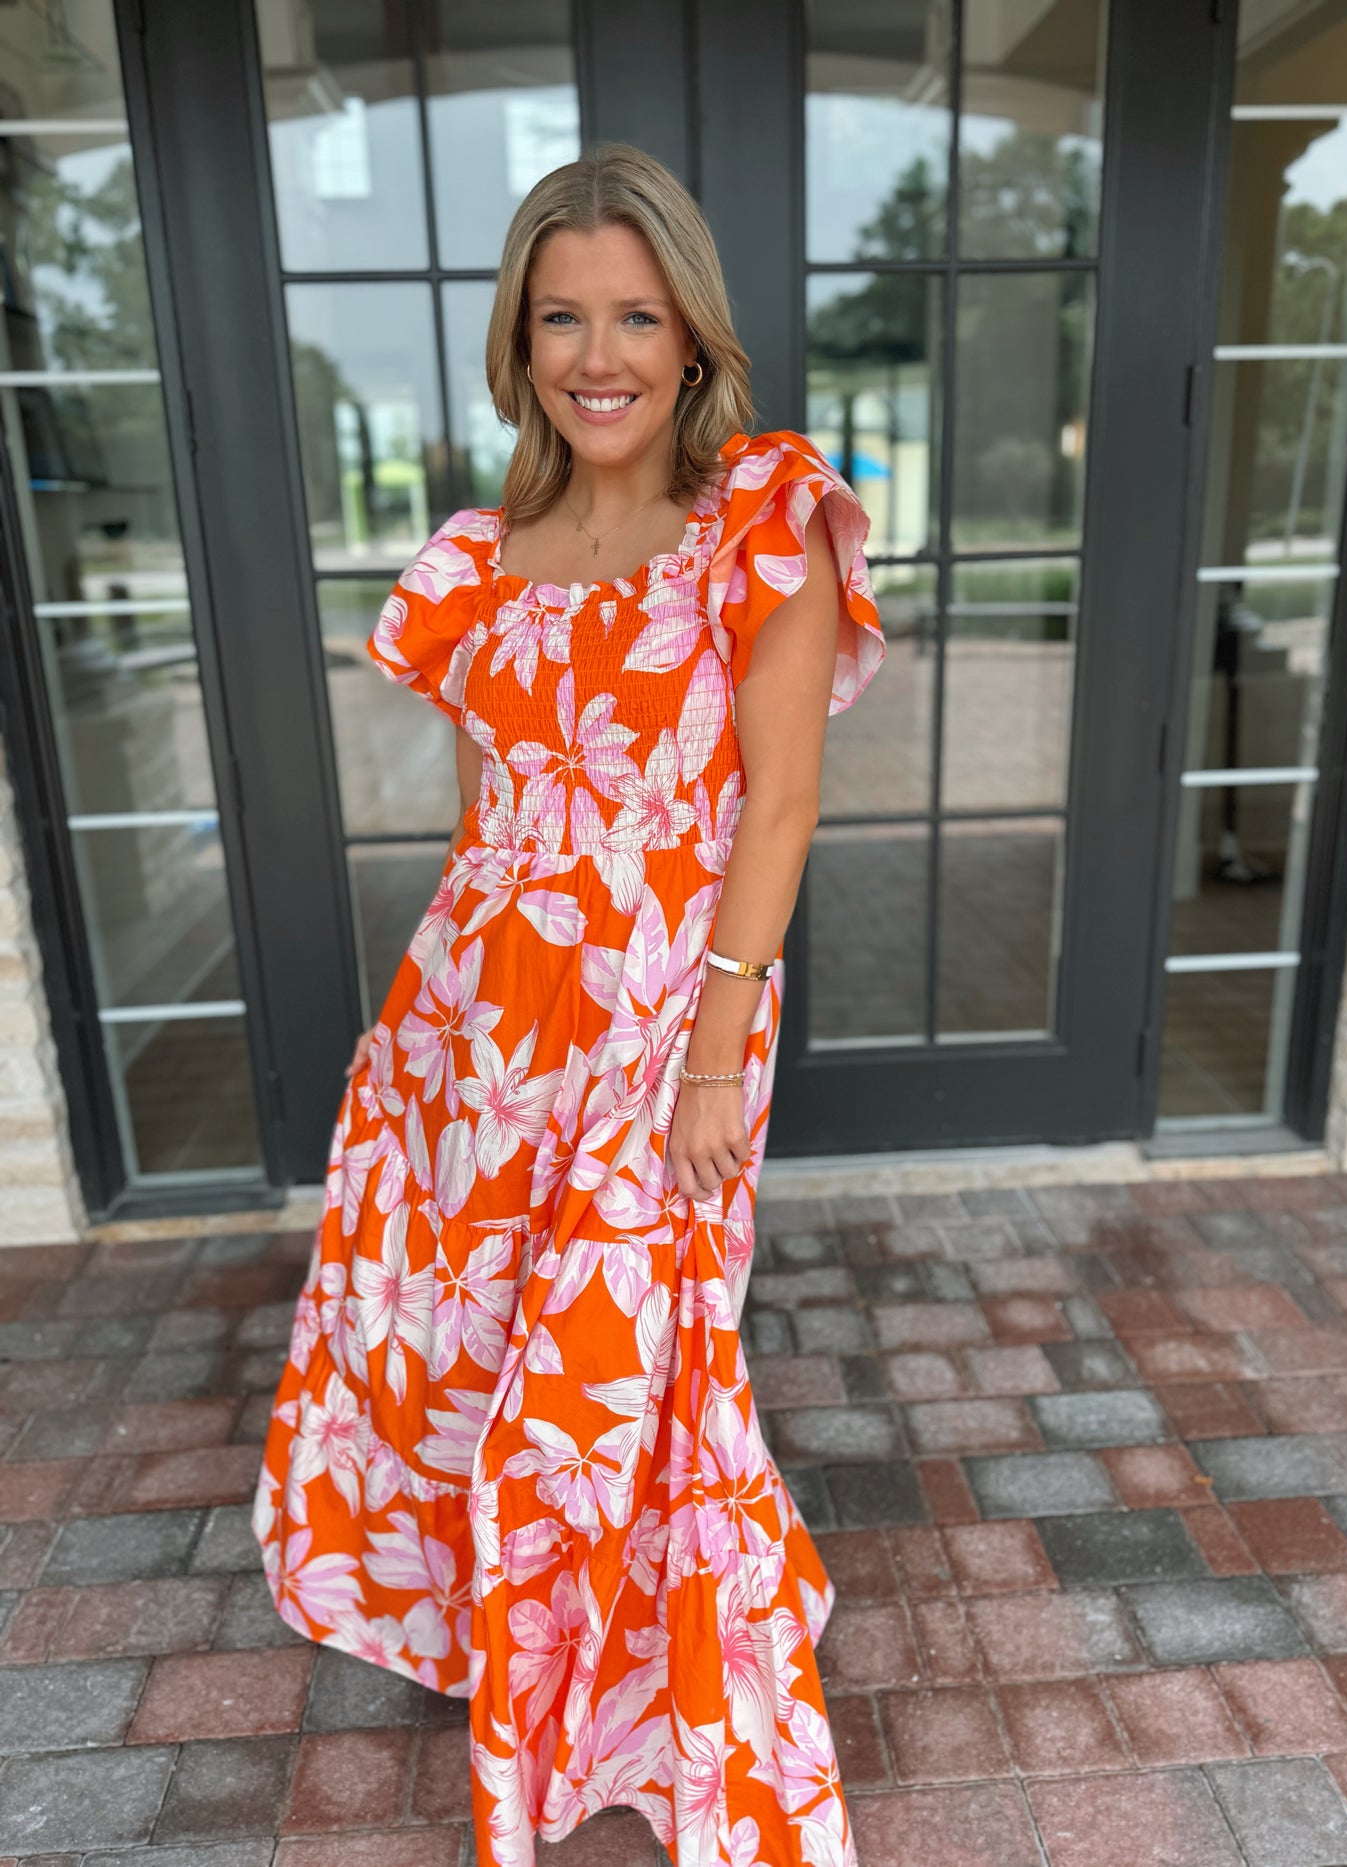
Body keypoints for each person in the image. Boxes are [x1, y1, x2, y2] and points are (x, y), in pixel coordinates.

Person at [254, 142, 884, 1867]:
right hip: (476, 1025)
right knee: (476, 1344)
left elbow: (783, 806)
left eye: (635, 316)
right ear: (519, 344)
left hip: (670, 1024)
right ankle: (555, 1650)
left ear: (692, 338)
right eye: (561, 320)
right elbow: (491, 821)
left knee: (625, 1369)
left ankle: (630, 1695)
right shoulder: (478, 556)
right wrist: (426, 1045)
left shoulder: (759, 522)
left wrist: (715, 1050)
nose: (598, 357)